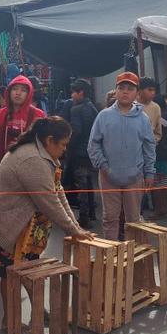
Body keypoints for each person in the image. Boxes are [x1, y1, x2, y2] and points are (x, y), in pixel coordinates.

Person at [0, 117, 93, 329]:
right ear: (49, 140)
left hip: (20, 225)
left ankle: (37, 310)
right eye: (62, 144)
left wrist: (76, 227)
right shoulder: (32, 159)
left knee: (27, 268)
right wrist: (73, 229)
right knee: (12, 274)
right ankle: (10, 323)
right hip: (0, 223)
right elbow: (50, 202)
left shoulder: (41, 153)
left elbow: (57, 191)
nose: (64, 150)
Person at [88, 72, 156, 240]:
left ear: (136, 93)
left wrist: (149, 172)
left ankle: (132, 256)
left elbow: (149, 147)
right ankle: (111, 256)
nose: (125, 92)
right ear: (116, 91)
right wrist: (103, 166)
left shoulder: (143, 118)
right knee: (110, 218)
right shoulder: (103, 116)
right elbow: (93, 145)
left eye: (130, 89)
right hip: (108, 176)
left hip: (135, 177)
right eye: (121, 88)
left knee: (133, 220)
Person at [0, 75, 46, 175]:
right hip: (2, 166)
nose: (18, 93)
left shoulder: (38, 114)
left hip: (29, 168)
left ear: (29, 93)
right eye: (14, 89)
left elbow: (42, 142)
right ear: (9, 92)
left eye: (23, 90)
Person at [68, 79, 99, 228]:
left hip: (79, 152)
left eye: (74, 92)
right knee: (89, 183)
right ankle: (92, 212)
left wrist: (67, 146)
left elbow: (77, 131)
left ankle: (84, 216)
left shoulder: (76, 109)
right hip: (91, 150)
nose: (72, 95)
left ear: (81, 92)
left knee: (81, 184)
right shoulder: (92, 107)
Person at [152, 94, 167, 217]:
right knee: (163, 184)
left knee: (157, 183)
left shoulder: (162, 116)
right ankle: (164, 207)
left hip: (160, 153)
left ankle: (158, 209)